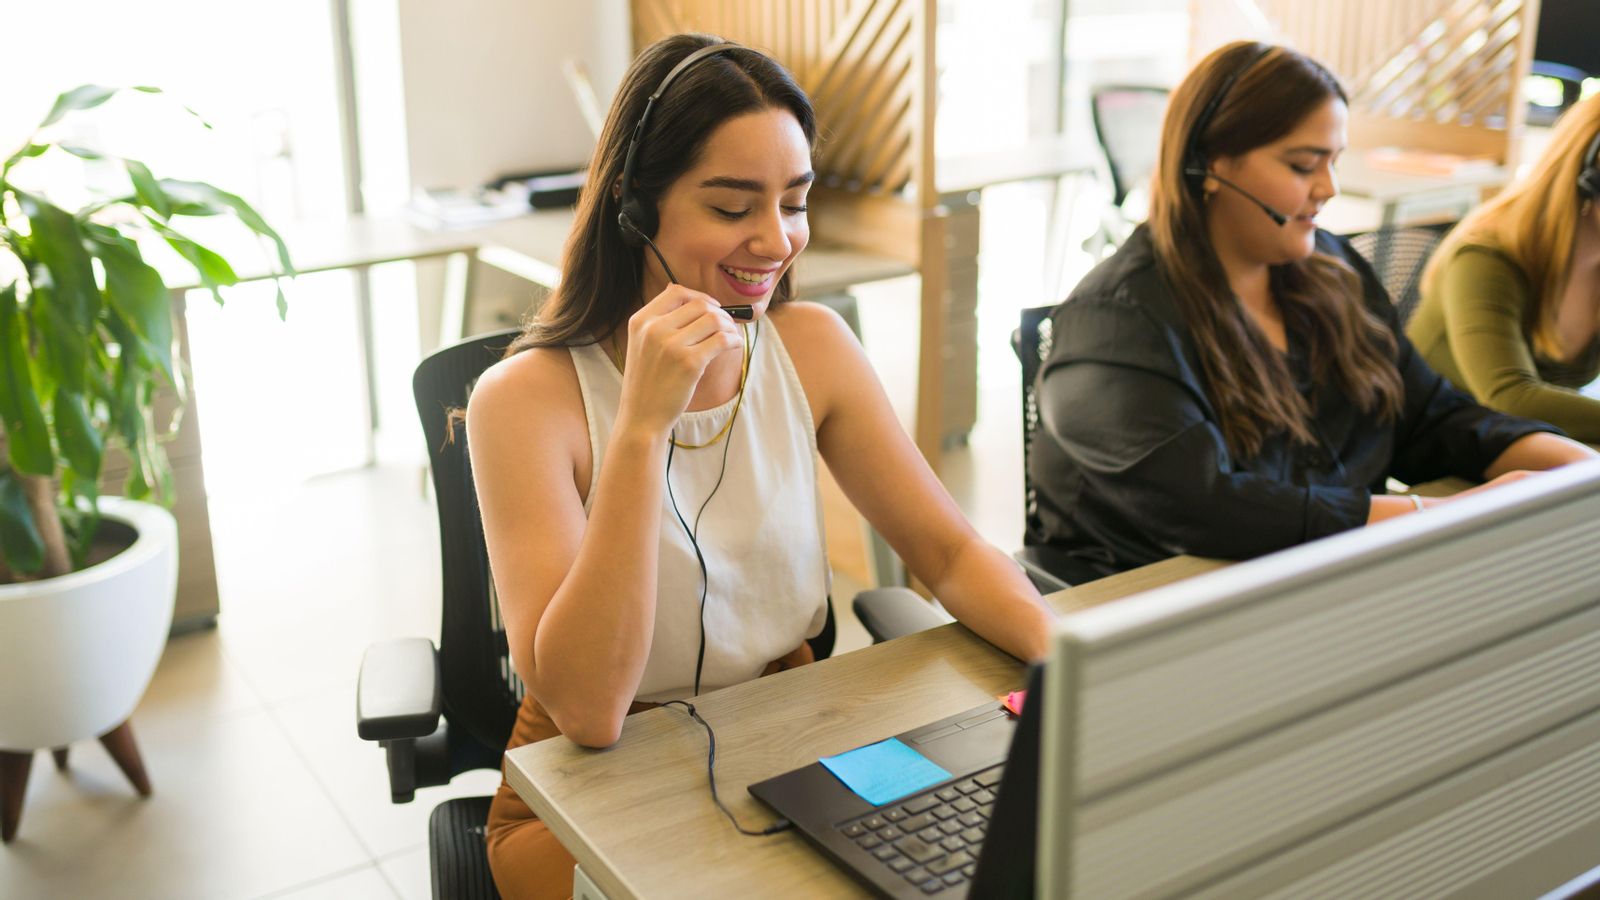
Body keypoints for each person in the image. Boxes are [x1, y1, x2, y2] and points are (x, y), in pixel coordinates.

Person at [465, 34, 1054, 898]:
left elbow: (953, 555)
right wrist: (639, 432)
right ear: (635, 206)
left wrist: (1075, 670)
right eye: (734, 206)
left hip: (786, 729)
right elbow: (587, 712)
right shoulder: (522, 400)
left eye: (795, 202)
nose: (777, 242)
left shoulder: (812, 347)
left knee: (976, 852)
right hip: (588, 783)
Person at [1024, 41, 1597, 580]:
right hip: (1161, 599)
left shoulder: (1329, 271)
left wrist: (1576, 469)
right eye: (1303, 165)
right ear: (1211, 165)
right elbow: (1209, 506)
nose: (1328, 187)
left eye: (1333, 161)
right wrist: (1434, 514)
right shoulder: (1116, 322)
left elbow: (1428, 417)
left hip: (1320, 577)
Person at [1409, 94, 1600, 442]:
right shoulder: (1487, 256)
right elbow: (1512, 398)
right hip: (1441, 453)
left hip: (1525, 447)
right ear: (1589, 177)